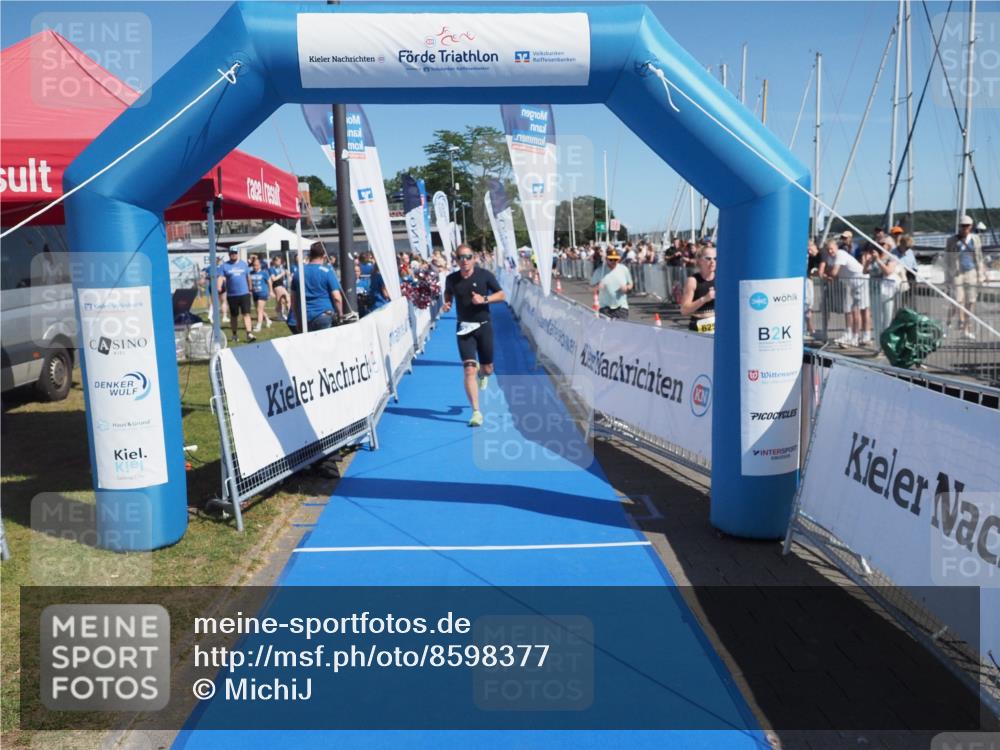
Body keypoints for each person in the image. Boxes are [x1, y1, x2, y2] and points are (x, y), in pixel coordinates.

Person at [442, 245, 505, 427]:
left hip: (484, 327)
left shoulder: (484, 275)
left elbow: (501, 294)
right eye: (461, 257)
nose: (465, 260)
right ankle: (476, 412)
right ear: (456, 260)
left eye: (468, 256)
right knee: (468, 369)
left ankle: (483, 374)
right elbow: (448, 293)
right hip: (464, 328)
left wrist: (484, 300)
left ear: (474, 259)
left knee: (487, 369)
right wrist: (447, 303)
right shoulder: (451, 279)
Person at [945, 215, 985, 340]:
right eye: (963, 225)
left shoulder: (976, 239)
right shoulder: (952, 240)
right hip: (957, 272)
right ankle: (955, 323)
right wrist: (947, 277)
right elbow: (947, 259)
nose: (965, 228)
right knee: (957, 300)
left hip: (971, 271)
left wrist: (981, 273)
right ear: (959, 227)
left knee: (971, 301)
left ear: (971, 226)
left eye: (967, 225)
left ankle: (966, 329)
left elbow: (979, 256)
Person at [287, 246, 344, 334]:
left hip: (306, 317)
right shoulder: (327, 271)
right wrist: (341, 314)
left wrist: (297, 319)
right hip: (324, 315)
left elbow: (293, 299)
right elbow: (337, 297)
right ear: (324, 256)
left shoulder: (299, 272)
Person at [824, 239, 869, 348]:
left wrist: (827, 275)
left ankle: (857, 336)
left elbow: (833, 272)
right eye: (828, 249)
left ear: (836, 247)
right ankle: (849, 334)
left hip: (860, 281)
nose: (830, 251)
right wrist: (827, 275)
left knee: (858, 310)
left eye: (832, 248)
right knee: (848, 309)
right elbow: (828, 271)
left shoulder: (840, 254)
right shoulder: (830, 257)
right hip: (849, 283)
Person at [219, 248, 254, 343]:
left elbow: (248, 277)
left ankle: (249, 333)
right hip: (232, 295)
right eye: (231, 253)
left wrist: (250, 288)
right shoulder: (225, 266)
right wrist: (218, 287)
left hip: (244, 293)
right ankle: (234, 334)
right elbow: (221, 277)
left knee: (246, 313)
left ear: (237, 254)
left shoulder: (243, 264)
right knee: (234, 316)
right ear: (229, 254)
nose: (233, 255)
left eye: (235, 253)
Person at [679, 245, 716, 332]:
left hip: (718, 325)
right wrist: (704, 299)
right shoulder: (693, 281)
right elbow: (684, 310)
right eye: (708, 258)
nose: (712, 262)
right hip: (699, 326)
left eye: (715, 258)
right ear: (699, 261)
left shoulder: (721, 279)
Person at [589, 248, 633, 319]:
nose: (613, 261)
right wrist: (597, 287)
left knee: (622, 329)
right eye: (611, 259)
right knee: (606, 329)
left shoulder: (624, 269)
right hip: (605, 308)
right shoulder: (600, 271)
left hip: (621, 307)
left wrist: (627, 288)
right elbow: (590, 288)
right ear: (606, 259)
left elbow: (630, 284)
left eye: (615, 259)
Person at [249, 255, 274, 332]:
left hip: (262, 293)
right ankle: (268, 319)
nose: (255, 267)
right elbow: (249, 282)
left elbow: (269, 282)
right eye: (254, 265)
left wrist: (271, 291)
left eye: (257, 265)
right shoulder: (251, 273)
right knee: (259, 310)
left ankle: (258, 326)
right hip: (255, 293)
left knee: (259, 309)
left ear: (260, 265)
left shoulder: (264, 273)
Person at [269, 255, 290, 320]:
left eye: (280, 261)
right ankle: (280, 315)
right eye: (278, 261)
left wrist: (287, 274)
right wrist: (282, 274)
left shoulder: (281, 268)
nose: (279, 262)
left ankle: (282, 315)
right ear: (274, 261)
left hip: (282, 285)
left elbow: (285, 275)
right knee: (285, 299)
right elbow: (273, 279)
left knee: (283, 301)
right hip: (277, 286)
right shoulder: (271, 269)